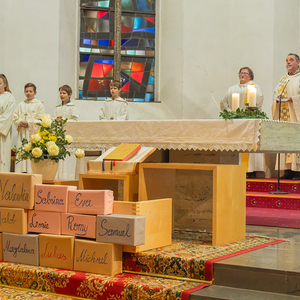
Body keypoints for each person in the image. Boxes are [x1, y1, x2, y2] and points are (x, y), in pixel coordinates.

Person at [220, 67, 268, 178]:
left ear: (250, 76)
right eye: (241, 73)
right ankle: (238, 169)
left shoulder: (255, 87)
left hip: (249, 122)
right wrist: (231, 113)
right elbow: (223, 102)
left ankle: (251, 170)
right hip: (236, 123)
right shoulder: (232, 89)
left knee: (249, 146)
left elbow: (258, 101)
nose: (242, 75)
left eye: (245, 73)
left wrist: (248, 112)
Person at [273, 53, 300, 179]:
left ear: (298, 63)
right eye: (287, 60)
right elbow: (276, 92)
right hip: (286, 115)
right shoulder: (283, 79)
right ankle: (288, 169)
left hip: (297, 116)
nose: (288, 62)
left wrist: (294, 99)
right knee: (286, 140)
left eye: (291, 60)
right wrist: (277, 98)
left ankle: (298, 169)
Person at [13, 82, 44, 173]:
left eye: (30, 91)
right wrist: (19, 122)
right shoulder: (21, 104)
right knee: (22, 149)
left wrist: (29, 123)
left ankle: (31, 171)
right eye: (26, 91)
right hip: (23, 132)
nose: (28, 93)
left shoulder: (39, 104)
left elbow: (41, 118)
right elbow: (15, 116)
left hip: (32, 133)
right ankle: (21, 171)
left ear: (35, 93)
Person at [0, 74, 15, 172]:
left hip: (1, 132)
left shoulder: (9, 98)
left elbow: (8, 116)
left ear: (5, 84)